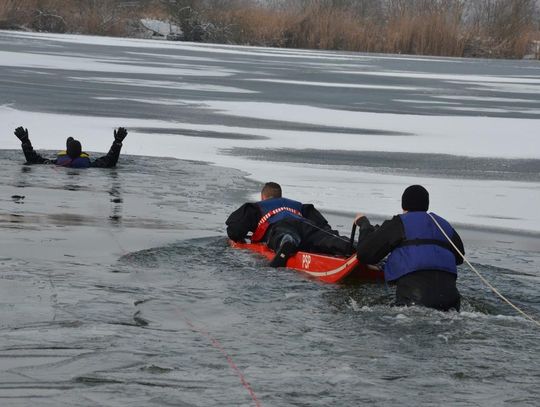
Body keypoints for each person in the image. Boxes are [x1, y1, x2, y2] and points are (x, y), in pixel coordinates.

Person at [354, 185, 464, 311]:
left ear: (403, 206)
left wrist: (363, 224)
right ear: (426, 205)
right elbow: (459, 257)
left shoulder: (399, 222)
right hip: (452, 302)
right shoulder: (443, 224)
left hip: (414, 302)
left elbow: (364, 254)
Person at [226, 182, 353, 267]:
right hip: (305, 224)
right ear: (280, 195)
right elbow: (324, 226)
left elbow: (235, 230)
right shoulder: (300, 206)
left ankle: (287, 242)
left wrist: (238, 238)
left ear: (263, 197)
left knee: (283, 234)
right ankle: (351, 247)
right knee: (324, 237)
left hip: (280, 225)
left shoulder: (256, 207)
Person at [13, 126, 128, 168]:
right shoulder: (90, 165)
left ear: (66, 152)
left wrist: (25, 141)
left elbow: (32, 159)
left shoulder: (55, 163)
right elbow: (110, 160)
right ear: (82, 152)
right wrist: (117, 142)